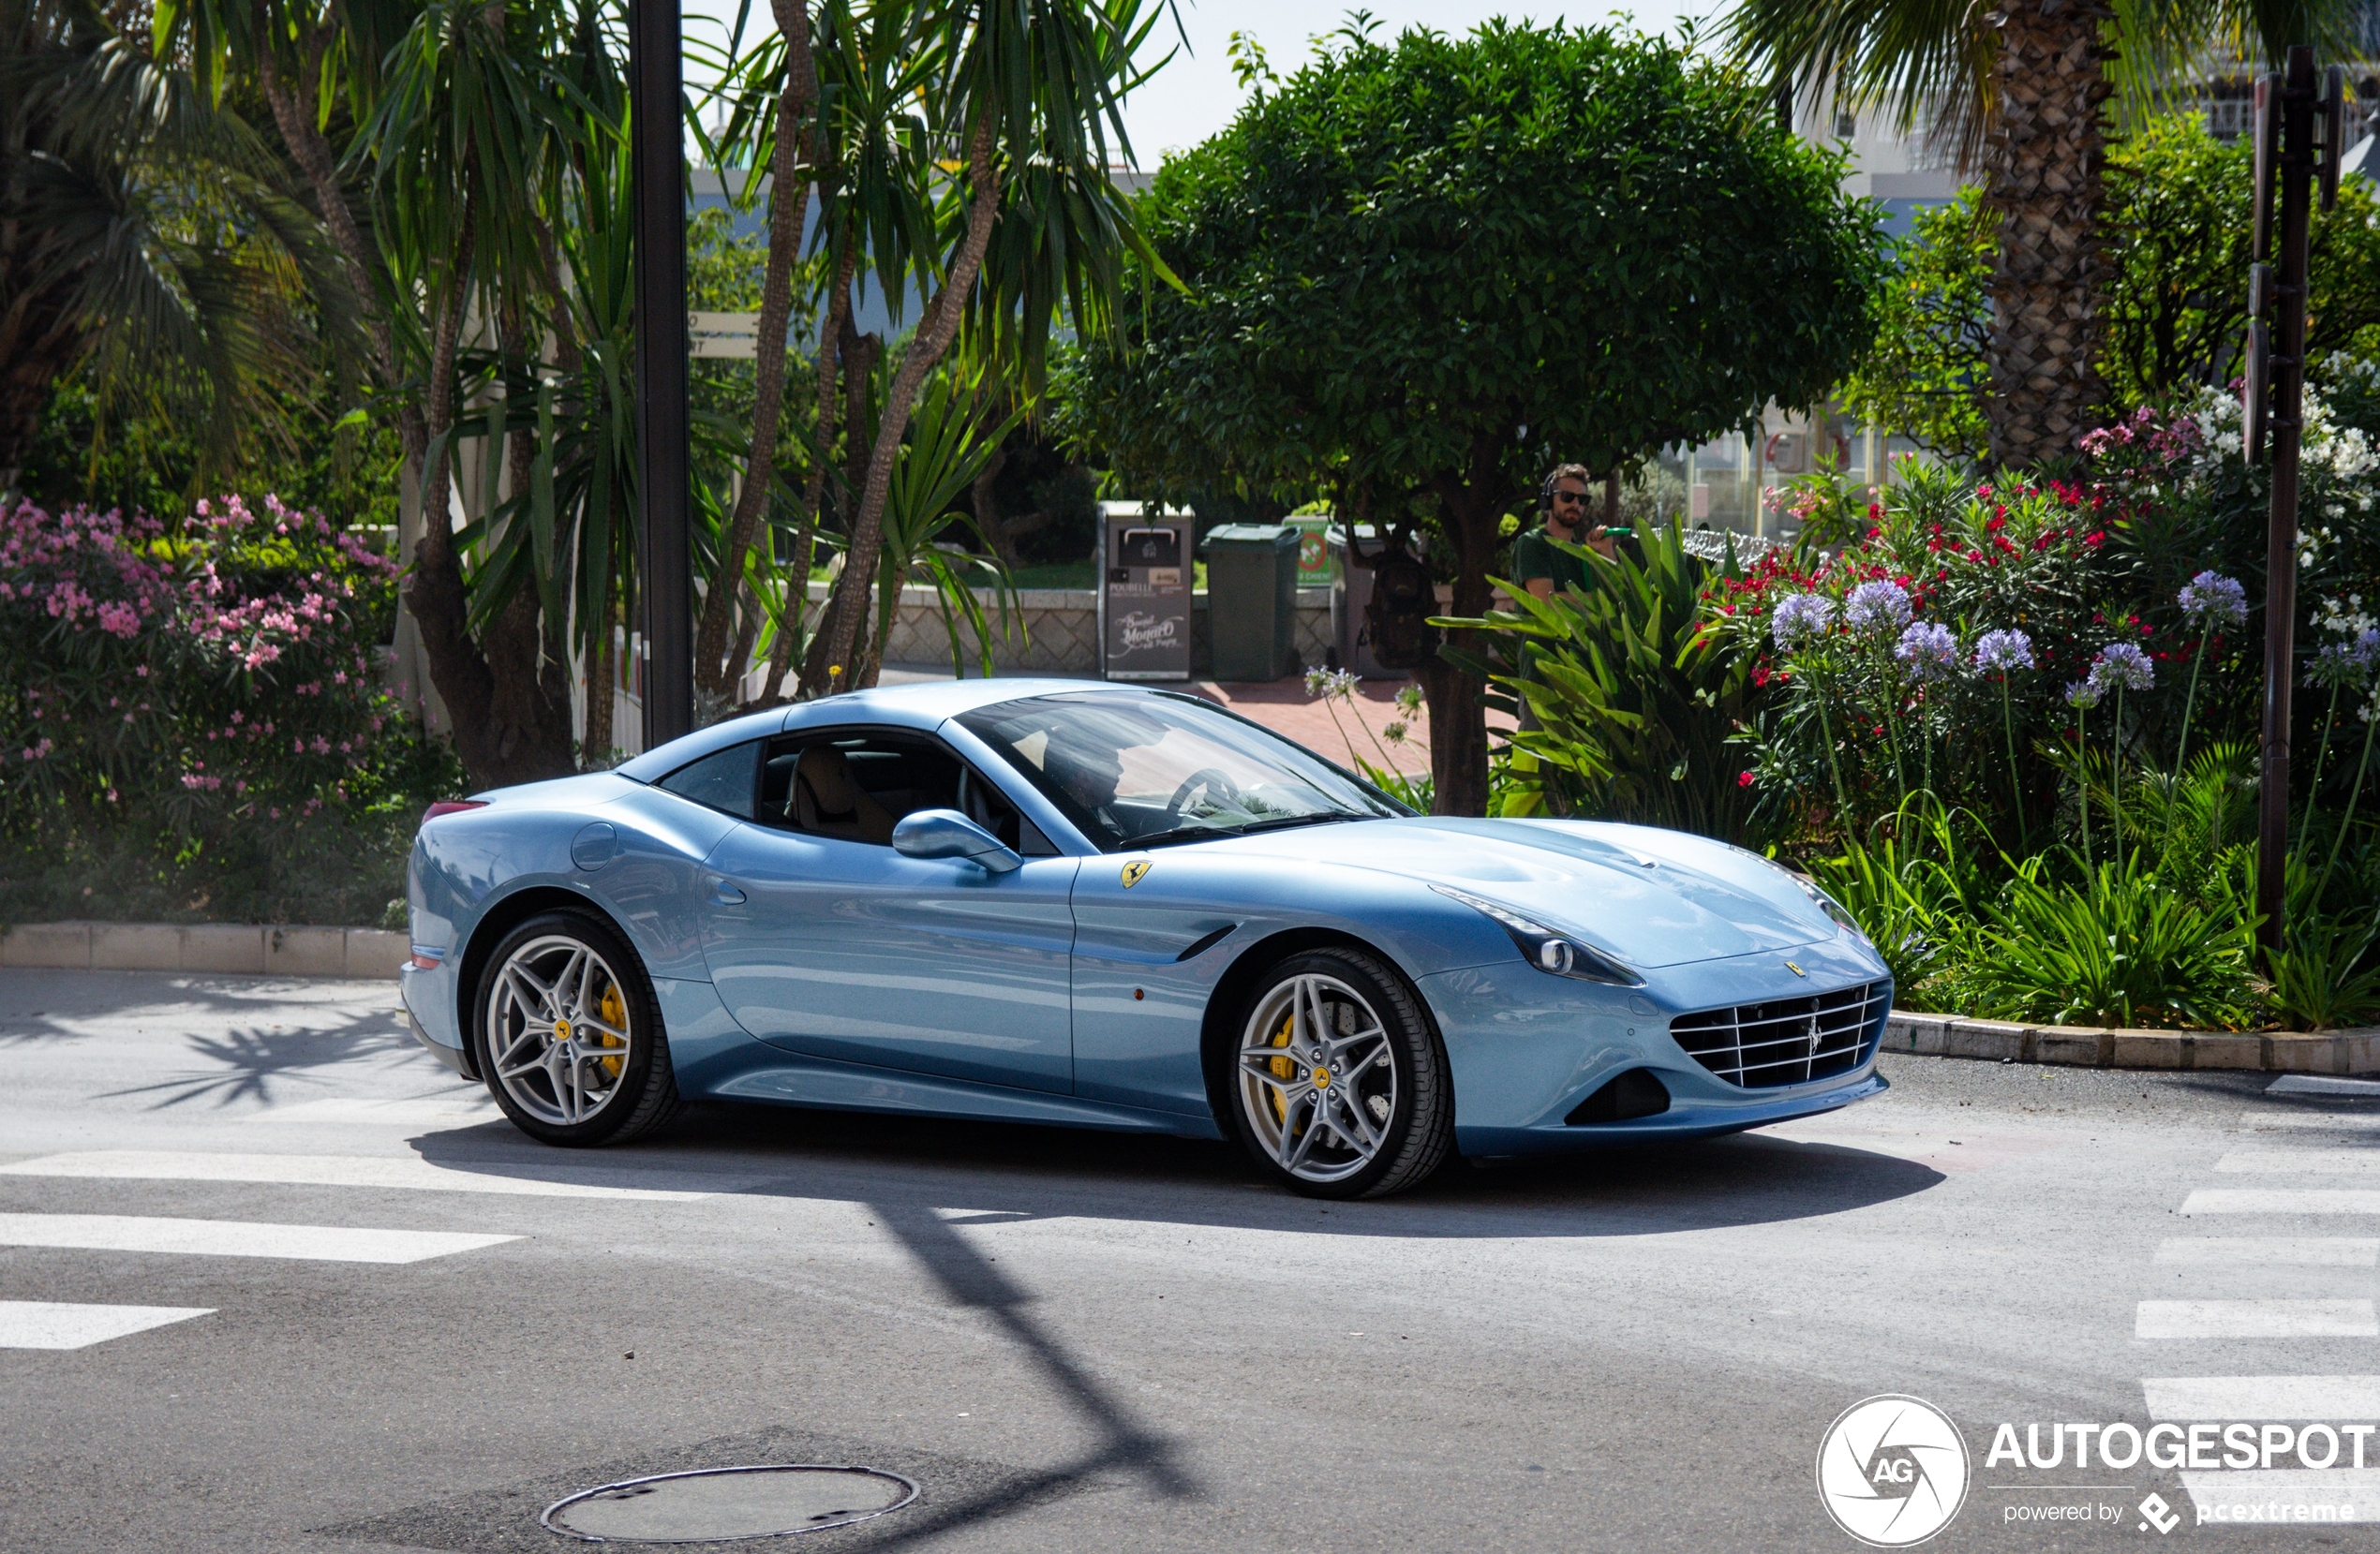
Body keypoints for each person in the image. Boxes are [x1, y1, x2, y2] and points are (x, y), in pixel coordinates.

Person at [1511, 463, 1614, 600]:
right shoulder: (1532, 543)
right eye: (1567, 496)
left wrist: (1607, 551)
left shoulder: (1585, 551)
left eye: (1583, 499)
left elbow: (1618, 594)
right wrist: (1602, 602)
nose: (1575, 504)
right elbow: (1547, 601)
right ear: (1548, 500)